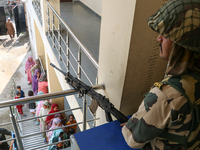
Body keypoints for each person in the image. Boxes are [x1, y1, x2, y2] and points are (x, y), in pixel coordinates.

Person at [122, 0, 200, 149]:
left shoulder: (166, 95)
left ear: (182, 45)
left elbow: (132, 139)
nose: (159, 38)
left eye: (166, 35)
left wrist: (134, 125)